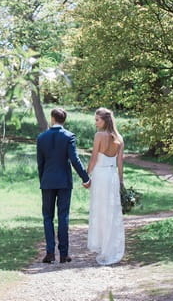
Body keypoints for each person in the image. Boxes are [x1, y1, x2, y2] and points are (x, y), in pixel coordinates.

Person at [36, 108, 91, 264]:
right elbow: (74, 159)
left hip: (47, 182)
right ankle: (64, 254)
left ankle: (49, 253)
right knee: (63, 217)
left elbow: (40, 163)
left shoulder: (41, 138)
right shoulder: (69, 137)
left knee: (47, 217)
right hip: (64, 182)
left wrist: (43, 180)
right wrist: (85, 178)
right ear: (63, 120)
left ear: (52, 118)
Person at [87, 107, 125, 265]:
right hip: (112, 176)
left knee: (100, 209)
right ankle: (109, 246)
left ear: (105, 120)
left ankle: (103, 245)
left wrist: (86, 175)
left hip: (100, 175)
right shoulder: (119, 137)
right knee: (112, 211)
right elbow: (120, 163)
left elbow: (94, 157)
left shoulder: (99, 135)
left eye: (97, 119)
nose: (95, 122)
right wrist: (121, 181)